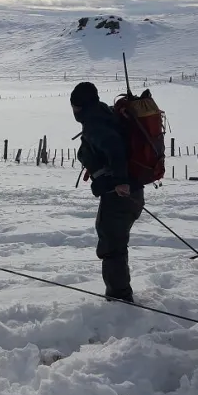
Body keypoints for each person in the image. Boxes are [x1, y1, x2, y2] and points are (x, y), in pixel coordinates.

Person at [71, 81, 144, 303]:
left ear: (80, 105)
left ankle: (119, 298)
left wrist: (120, 181)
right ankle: (119, 293)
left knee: (112, 244)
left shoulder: (95, 123)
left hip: (120, 194)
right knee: (115, 241)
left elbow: (114, 146)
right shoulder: (105, 113)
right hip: (131, 191)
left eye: (74, 105)